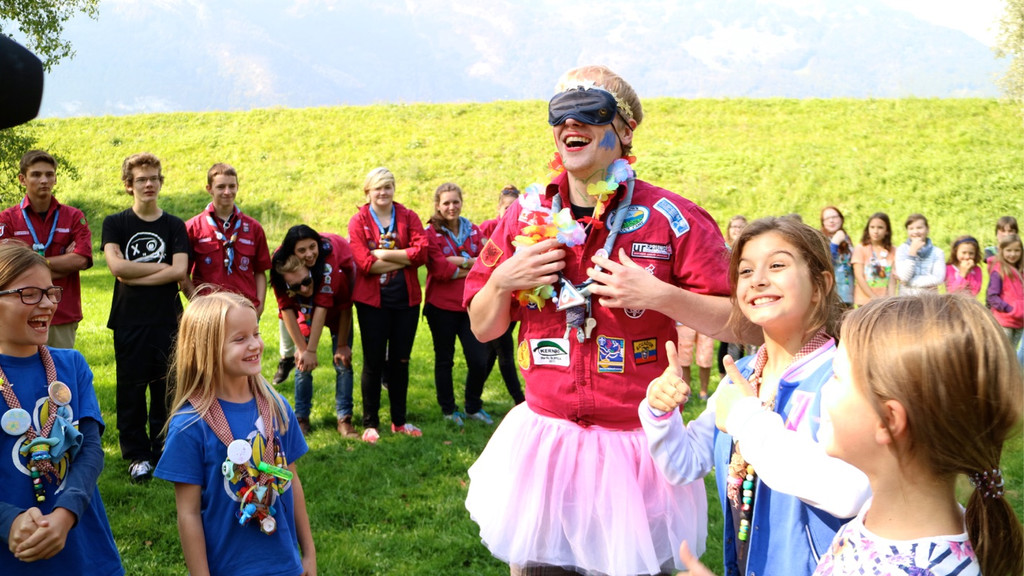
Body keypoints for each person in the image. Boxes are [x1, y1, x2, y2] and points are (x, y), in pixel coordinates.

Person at [465, 65, 743, 576]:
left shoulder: (671, 217)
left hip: (634, 457)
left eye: (590, 110)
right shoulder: (523, 217)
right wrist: (502, 281)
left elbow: (742, 324)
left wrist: (660, 296)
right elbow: (483, 328)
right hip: (546, 448)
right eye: (560, 113)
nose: (571, 122)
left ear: (626, 130)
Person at [678, 294, 1023, 576]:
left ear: (888, 421)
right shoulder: (886, 520)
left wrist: (747, 418)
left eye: (837, 376)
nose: (824, 386)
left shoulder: (905, 566)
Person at [640, 217, 870, 576]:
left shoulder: (842, 375)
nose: (757, 279)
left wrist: (747, 420)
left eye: (777, 265)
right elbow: (685, 463)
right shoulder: (741, 375)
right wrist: (659, 411)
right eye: (745, 271)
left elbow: (850, 492)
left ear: (820, 285)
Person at [154, 292, 315, 576]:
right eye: (240, 339)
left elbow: (292, 482)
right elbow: (188, 514)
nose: (255, 344)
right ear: (207, 349)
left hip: (286, 566)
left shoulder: (277, 408)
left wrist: (309, 553)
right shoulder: (190, 425)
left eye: (256, 333)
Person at [0, 244, 124, 575]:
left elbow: (91, 450)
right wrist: (8, 521)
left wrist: (66, 513)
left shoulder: (71, 365)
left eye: (50, 292)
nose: (46, 304)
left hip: (82, 550)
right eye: (29, 294)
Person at [101, 152, 188, 483]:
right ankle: (137, 456)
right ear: (129, 185)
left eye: (154, 178)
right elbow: (117, 267)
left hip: (168, 319)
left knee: (168, 388)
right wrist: (160, 268)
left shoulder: (174, 225)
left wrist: (135, 275)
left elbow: (179, 271)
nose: (149, 184)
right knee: (131, 391)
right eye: (141, 179)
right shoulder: (116, 223)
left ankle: (163, 449)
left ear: (160, 182)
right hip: (129, 320)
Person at [348, 167, 428, 443]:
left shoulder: (408, 216)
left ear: (394, 189)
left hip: (406, 301)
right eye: (378, 188)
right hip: (372, 303)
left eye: (387, 187)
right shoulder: (358, 221)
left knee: (400, 362)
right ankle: (370, 423)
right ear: (368, 192)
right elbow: (365, 264)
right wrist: (404, 259)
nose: (383, 193)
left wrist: (382, 253)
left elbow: (422, 253)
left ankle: (399, 421)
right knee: (373, 361)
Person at [269, 225, 356, 438]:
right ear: (291, 253)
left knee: (343, 362)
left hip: (337, 309)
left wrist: (339, 345)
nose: (309, 254)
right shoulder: (280, 267)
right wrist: (302, 350)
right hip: (305, 309)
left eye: (312, 247)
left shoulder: (330, 265)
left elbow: (343, 308)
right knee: (302, 363)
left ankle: (344, 419)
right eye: (302, 250)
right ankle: (301, 418)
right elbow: (286, 309)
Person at [0, 150, 92, 348]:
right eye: (36, 174)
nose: (44, 180)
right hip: (19, 314)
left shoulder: (73, 217)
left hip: (62, 313)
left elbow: (81, 259)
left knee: (59, 367)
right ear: (22, 179)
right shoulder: (7, 219)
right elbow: (6, 267)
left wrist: (26, 262)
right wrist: (63, 262)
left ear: (55, 179)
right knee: (20, 366)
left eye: (49, 174)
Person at [423, 182, 492, 426]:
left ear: (461, 202)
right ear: (438, 206)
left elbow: (488, 262)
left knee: (479, 359)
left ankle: (473, 406)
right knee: (445, 360)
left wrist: (459, 261)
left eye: (455, 202)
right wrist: (472, 263)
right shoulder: (429, 233)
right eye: (446, 203)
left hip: (470, 304)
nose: (451, 207)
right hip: (441, 307)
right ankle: (449, 410)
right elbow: (440, 270)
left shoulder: (472, 229)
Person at [182, 163, 272, 315]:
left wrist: (260, 306)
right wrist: (197, 303)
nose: (227, 192)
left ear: (237, 187)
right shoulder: (193, 228)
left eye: (232, 186)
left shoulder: (253, 228)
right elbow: (182, 274)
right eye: (221, 187)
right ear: (209, 189)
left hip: (245, 310)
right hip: (209, 312)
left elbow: (260, 271)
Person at [478, 185, 525, 407]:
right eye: (507, 207)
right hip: (494, 302)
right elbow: (482, 264)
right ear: (499, 208)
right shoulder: (488, 229)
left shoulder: (525, 231)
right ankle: (520, 401)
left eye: (515, 207)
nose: (510, 212)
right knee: (505, 351)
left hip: (516, 301)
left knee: (491, 352)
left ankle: (472, 398)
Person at [717, 215, 749, 374]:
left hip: (745, 296)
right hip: (727, 297)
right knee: (727, 340)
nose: (737, 229)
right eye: (734, 226)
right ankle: (725, 376)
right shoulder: (722, 248)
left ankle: (741, 373)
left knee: (742, 339)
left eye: (741, 226)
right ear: (729, 229)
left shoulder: (749, 248)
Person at [986, 233, 1023, 351]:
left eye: (1016, 250)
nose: (1013, 254)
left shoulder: (1021, 270)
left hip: (1020, 321)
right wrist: (1010, 309)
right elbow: (992, 296)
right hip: (1004, 321)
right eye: (1009, 250)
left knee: (1011, 351)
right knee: (1001, 351)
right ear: (1002, 251)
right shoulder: (998, 270)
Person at [893, 213, 944, 295]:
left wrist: (909, 283)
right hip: (906, 299)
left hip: (929, 299)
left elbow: (938, 279)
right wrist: (912, 253)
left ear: (927, 229)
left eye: (919, 228)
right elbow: (904, 277)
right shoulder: (901, 250)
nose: (915, 231)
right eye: (911, 228)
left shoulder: (937, 252)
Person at [850, 212, 894, 306]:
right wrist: (874, 298)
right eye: (872, 227)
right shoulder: (861, 248)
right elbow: (859, 276)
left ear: (887, 231)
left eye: (880, 227)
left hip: (885, 301)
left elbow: (892, 278)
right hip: (865, 302)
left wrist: (891, 299)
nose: (876, 231)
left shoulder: (892, 250)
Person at [820, 206, 853, 307]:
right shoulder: (821, 240)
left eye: (834, 217)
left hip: (848, 295)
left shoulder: (846, 239)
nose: (831, 220)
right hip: (831, 295)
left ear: (841, 219)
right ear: (823, 223)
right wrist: (835, 243)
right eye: (827, 218)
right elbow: (825, 263)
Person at [677, 325, 713, 401]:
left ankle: (704, 393)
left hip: (706, 322)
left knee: (706, 357)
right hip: (683, 323)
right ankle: (686, 391)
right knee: (684, 359)